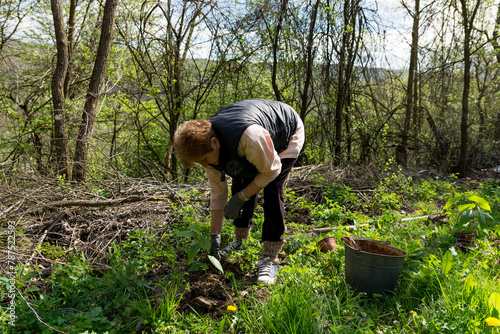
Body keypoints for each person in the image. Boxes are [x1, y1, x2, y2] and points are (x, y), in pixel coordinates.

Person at [173, 99, 305, 285]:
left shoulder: (250, 138)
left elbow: (272, 169)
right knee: (240, 178)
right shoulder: (206, 148)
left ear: (215, 142)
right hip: (251, 141)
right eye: (199, 162)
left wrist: (242, 197)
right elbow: (218, 193)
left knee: (272, 188)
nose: (204, 165)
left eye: (203, 159)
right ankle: (241, 241)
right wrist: (214, 237)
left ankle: (270, 256)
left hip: (287, 133)